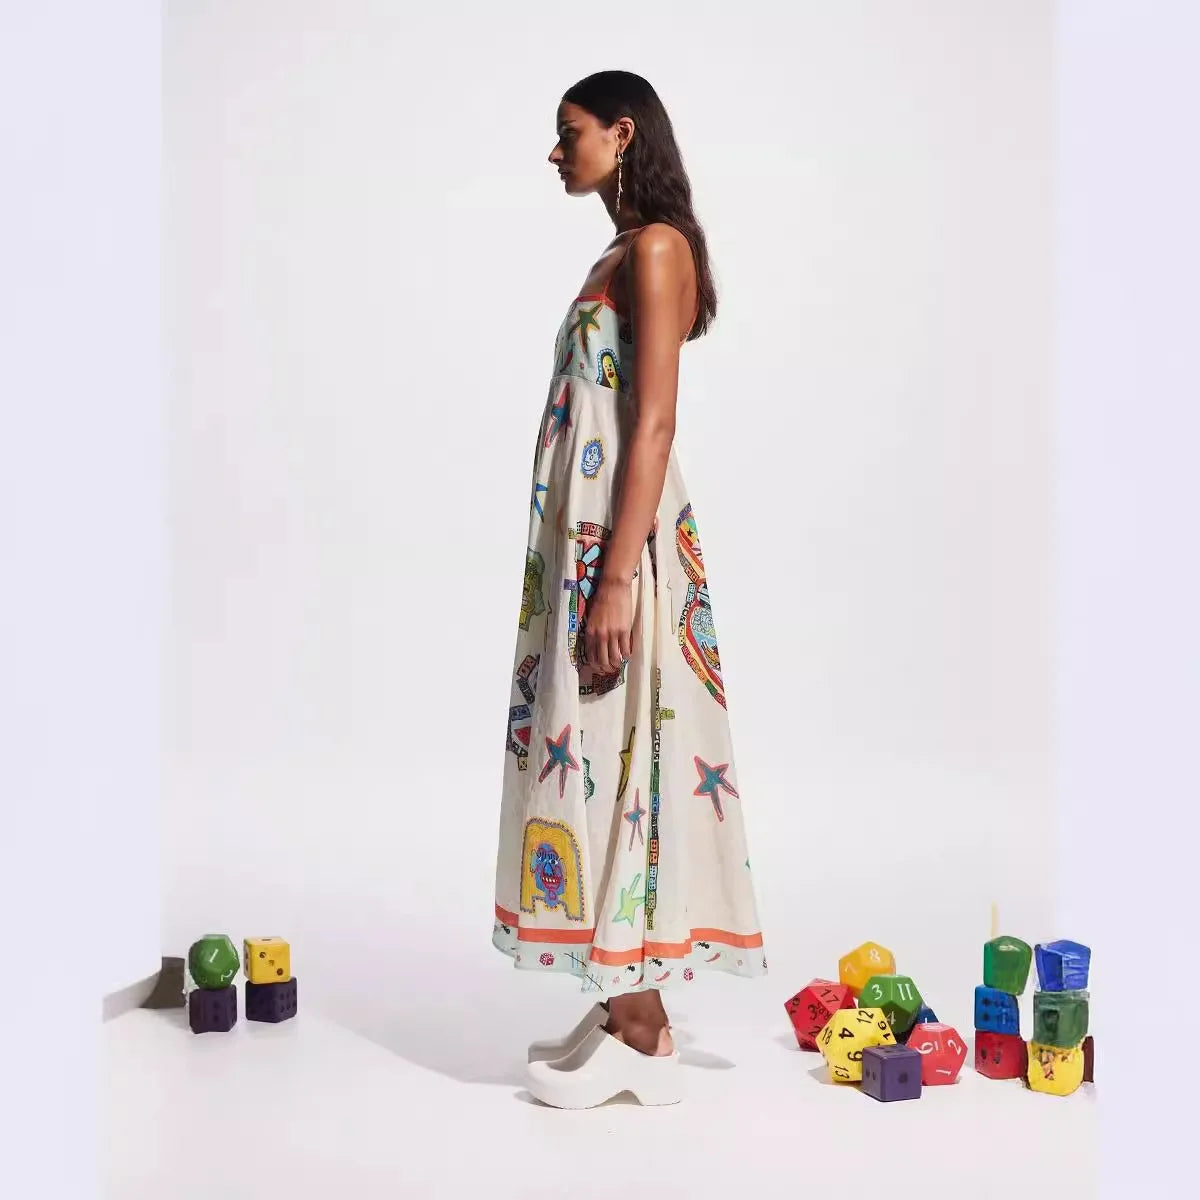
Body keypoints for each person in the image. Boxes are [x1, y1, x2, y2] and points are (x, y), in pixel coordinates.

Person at [492, 70, 766, 1110]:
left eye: (568, 133)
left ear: (622, 132)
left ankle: (642, 1024)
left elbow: (652, 421)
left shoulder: (656, 249)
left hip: (621, 547)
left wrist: (616, 578)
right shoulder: (617, 252)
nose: (555, 152)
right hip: (582, 545)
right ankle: (625, 1005)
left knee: (621, 748)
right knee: (598, 749)